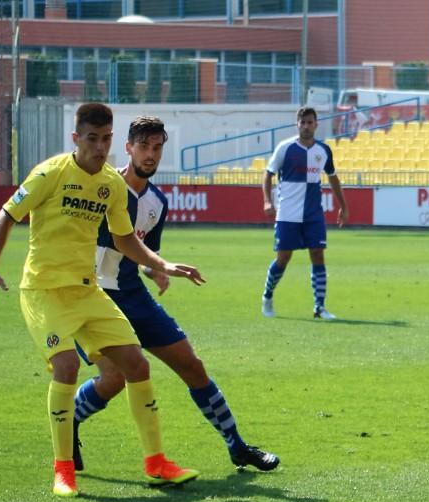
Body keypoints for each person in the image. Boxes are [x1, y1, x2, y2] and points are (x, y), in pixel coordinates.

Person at [0, 103, 203, 497]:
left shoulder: (111, 184)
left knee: (136, 365)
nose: (100, 147)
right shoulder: (50, 173)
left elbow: (124, 240)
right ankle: (63, 469)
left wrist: (161, 264)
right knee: (67, 366)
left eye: (106, 139)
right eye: (92, 138)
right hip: (44, 291)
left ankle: (156, 463)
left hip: (88, 291)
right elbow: (6, 215)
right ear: (76, 138)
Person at [71, 116, 280, 473]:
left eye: (157, 148)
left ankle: (237, 445)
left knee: (192, 366)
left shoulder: (157, 202)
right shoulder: (103, 186)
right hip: (92, 297)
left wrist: (155, 271)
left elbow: (142, 252)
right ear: (128, 148)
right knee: (115, 378)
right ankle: (68, 424)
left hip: (133, 294)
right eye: (143, 146)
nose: (150, 155)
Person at [261, 106, 349, 320]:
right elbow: (268, 174)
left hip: (313, 214)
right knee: (283, 258)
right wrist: (267, 201)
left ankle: (320, 306)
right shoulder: (285, 148)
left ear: (316, 124)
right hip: (287, 213)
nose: (306, 126)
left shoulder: (323, 150)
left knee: (318, 254)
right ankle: (267, 296)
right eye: (303, 122)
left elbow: (333, 177)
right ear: (297, 124)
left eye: (310, 122)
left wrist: (343, 206)